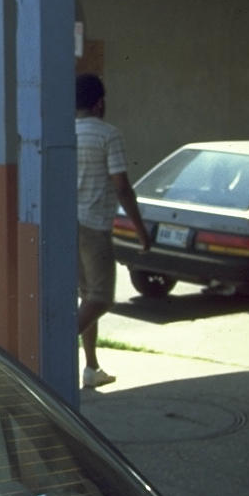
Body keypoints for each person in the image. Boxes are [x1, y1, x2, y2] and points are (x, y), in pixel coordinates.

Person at [76, 73, 150, 388]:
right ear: (99, 103)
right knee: (102, 299)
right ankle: (51, 346)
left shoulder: (66, 132)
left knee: (87, 297)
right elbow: (122, 187)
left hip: (69, 224)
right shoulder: (108, 134)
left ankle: (91, 367)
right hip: (94, 226)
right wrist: (141, 230)